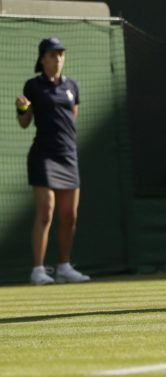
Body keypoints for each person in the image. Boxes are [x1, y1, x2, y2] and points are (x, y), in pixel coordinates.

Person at [15, 37, 90, 285]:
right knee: (46, 213)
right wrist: (23, 109)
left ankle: (64, 267)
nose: (58, 58)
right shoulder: (33, 86)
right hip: (43, 156)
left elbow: (71, 118)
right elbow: (24, 123)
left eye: (60, 54)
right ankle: (38, 270)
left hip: (68, 156)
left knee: (70, 216)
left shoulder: (72, 86)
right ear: (42, 59)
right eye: (52, 54)